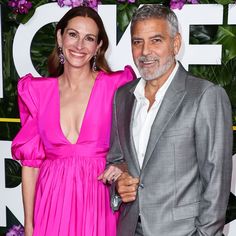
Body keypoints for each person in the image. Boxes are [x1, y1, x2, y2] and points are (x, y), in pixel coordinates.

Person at [100, 4, 233, 236]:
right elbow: (117, 160)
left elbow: (216, 180)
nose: (144, 52)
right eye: (137, 41)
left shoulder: (204, 95)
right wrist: (118, 186)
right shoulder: (123, 97)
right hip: (130, 229)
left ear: (176, 43)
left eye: (156, 40)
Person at [11, 6, 135, 236]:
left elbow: (135, 144)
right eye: (73, 34)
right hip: (51, 203)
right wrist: (29, 226)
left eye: (89, 38)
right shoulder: (37, 92)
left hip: (98, 201)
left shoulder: (115, 87)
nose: (79, 46)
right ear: (60, 37)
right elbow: (30, 165)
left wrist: (122, 166)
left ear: (98, 47)